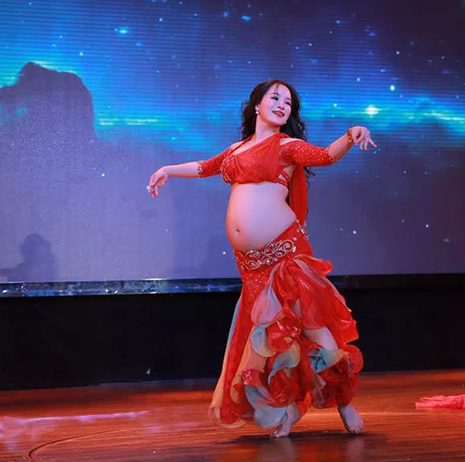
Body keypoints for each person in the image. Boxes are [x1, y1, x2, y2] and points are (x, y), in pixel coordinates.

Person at [147, 79, 376, 438]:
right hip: (251, 266)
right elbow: (205, 167)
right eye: (276, 98)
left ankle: (344, 401)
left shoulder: (287, 146)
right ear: (257, 105)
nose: (283, 105)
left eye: (288, 103)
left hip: (285, 256)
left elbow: (326, 156)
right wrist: (167, 170)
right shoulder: (236, 150)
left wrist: (351, 135)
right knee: (272, 342)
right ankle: (285, 409)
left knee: (314, 330)